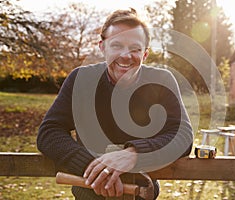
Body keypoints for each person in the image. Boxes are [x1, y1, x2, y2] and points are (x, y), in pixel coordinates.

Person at [37, 8, 193, 199]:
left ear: (145, 54)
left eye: (135, 48)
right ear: (102, 47)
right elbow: (49, 133)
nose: (125, 56)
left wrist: (134, 154)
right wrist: (95, 168)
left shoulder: (162, 80)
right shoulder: (81, 80)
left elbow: (182, 135)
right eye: (116, 45)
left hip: (142, 194)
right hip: (89, 195)